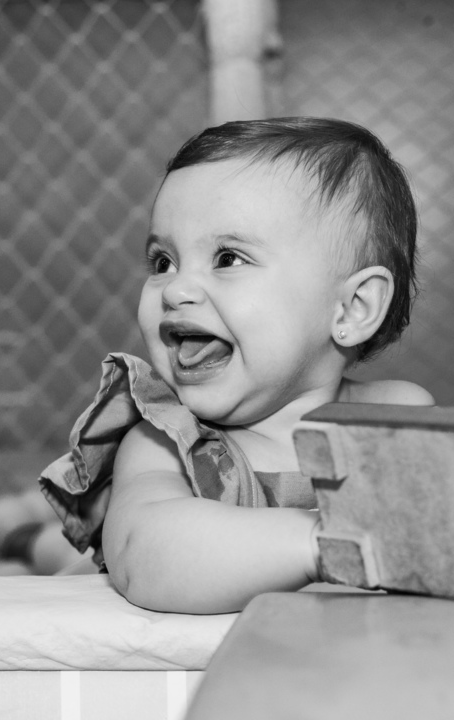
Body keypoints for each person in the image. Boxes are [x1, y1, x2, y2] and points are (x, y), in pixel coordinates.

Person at [40, 117, 434, 614]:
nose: (177, 289)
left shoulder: (396, 420)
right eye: (163, 262)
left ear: (352, 309)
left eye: (227, 258)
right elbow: (144, 556)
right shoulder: (166, 447)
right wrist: (326, 540)